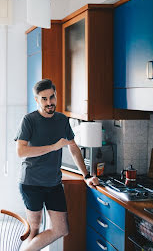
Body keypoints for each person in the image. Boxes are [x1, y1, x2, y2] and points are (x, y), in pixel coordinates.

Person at [14, 79, 99, 251]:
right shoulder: (29, 120)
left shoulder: (62, 120)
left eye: (51, 97)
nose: (49, 102)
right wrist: (53, 147)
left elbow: (74, 149)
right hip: (31, 183)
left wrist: (87, 175)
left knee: (61, 229)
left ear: (56, 96)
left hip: (53, 184)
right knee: (34, 230)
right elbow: (21, 152)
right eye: (44, 99)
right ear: (37, 100)